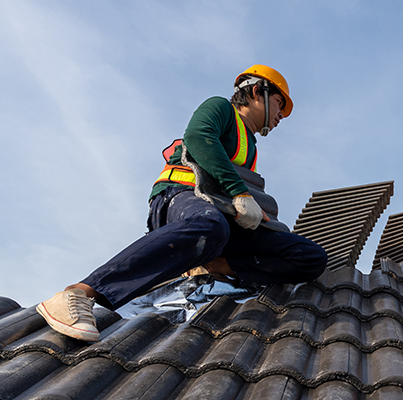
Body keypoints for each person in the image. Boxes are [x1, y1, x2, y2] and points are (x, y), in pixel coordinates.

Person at [36, 64, 327, 341]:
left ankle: (213, 265)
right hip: (181, 199)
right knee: (209, 225)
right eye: (279, 103)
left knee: (309, 256)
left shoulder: (250, 145)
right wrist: (240, 193)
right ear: (256, 92)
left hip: (220, 220)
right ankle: (81, 293)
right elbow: (198, 137)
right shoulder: (221, 108)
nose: (281, 115)